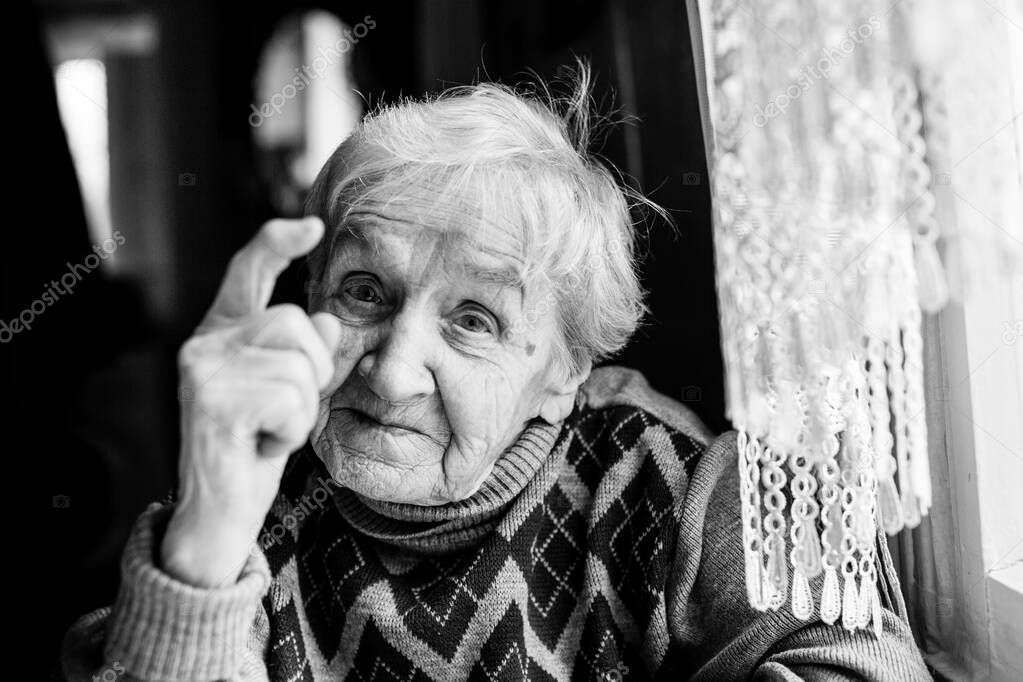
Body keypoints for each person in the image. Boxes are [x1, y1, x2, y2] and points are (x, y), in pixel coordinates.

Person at [61, 67, 931, 681]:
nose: (394, 373)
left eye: (473, 320)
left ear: (564, 373)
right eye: (365, 292)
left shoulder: (682, 488)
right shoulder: (247, 503)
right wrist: (207, 547)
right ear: (312, 294)